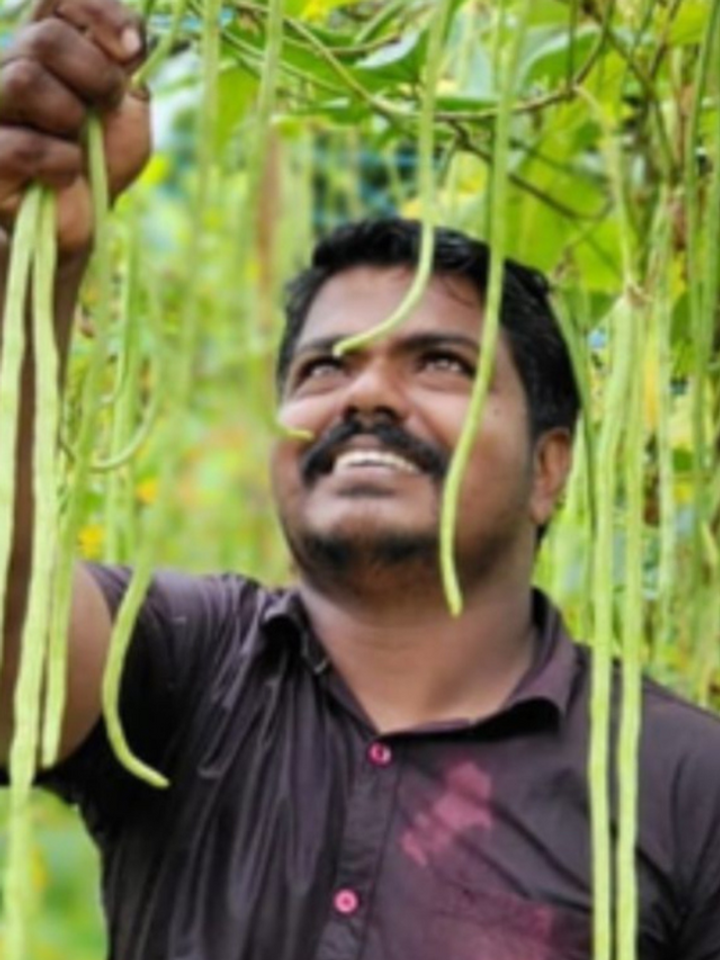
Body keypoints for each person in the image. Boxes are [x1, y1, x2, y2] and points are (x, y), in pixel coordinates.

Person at [2, 3, 720, 959]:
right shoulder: (189, 662)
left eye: (442, 364)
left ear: (550, 468)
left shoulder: (685, 784)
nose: (366, 395)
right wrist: (35, 270)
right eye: (323, 368)